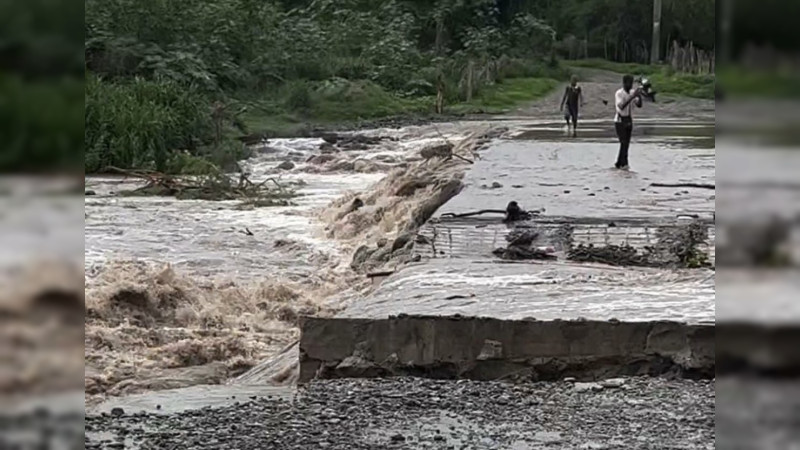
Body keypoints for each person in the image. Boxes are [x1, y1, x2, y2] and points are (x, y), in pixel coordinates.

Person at [614, 74, 644, 170]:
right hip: (619, 120)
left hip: (629, 119)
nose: (630, 85)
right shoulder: (619, 93)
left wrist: (639, 95)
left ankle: (621, 163)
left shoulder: (632, 92)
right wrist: (632, 96)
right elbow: (621, 106)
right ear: (624, 83)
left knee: (627, 143)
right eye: (628, 83)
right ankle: (623, 163)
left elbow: (639, 105)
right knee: (623, 142)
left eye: (631, 83)